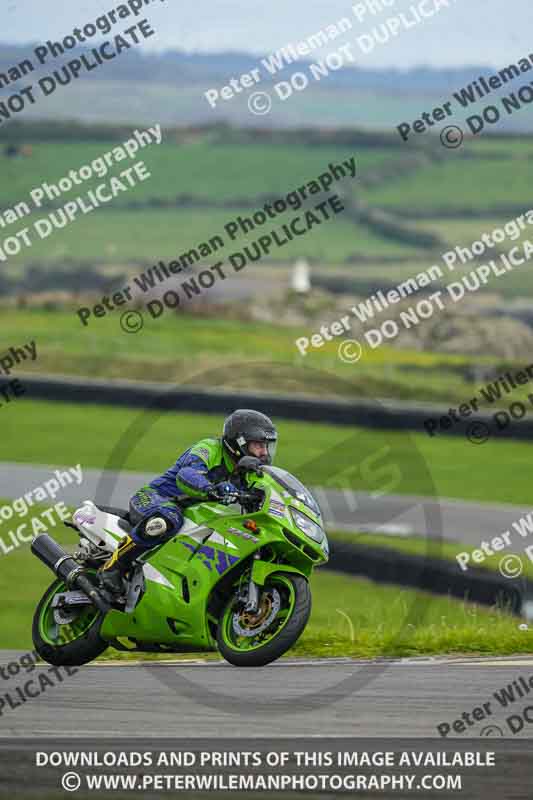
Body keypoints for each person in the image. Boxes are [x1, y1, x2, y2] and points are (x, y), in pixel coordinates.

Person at [97, 409, 277, 598]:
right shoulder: (208, 448)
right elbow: (187, 474)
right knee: (169, 517)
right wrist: (211, 489)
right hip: (155, 498)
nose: (264, 453)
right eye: (258, 445)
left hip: (193, 516)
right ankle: (113, 567)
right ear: (239, 442)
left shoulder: (248, 471)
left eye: (266, 446)